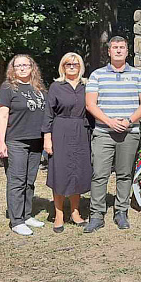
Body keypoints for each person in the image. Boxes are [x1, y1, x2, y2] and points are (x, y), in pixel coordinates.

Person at [83, 36, 141, 233]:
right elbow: (90, 104)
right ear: (109, 51)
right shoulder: (97, 75)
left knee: (124, 174)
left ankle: (121, 211)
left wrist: (129, 121)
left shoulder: (139, 76)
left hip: (129, 132)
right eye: (115, 47)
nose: (119, 50)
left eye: (122, 47)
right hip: (104, 132)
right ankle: (96, 215)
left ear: (127, 51)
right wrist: (109, 121)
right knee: (99, 174)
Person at [0, 54, 47, 236]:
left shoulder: (39, 88)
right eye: (18, 66)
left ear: (32, 67)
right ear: (13, 69)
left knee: (29, 181)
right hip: (16, 140)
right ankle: (16, 220)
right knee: (17, 181)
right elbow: (2, 116)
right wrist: (1, 142)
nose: (22, 68)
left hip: (36, 141)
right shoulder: (8, 87)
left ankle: (26, 215)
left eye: (26, 65)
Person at [43, 52, 91, 233]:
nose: (72, 67)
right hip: (60, 131)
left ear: (80, 67)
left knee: (78, 171)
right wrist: (47, 138)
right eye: (68, 64)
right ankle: (59, 214)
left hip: (81, 131)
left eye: (75, 64)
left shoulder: (87, 86)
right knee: (60, 172)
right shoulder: (56, 86)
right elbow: (48, 113)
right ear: (62, 67)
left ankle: (75, 212)